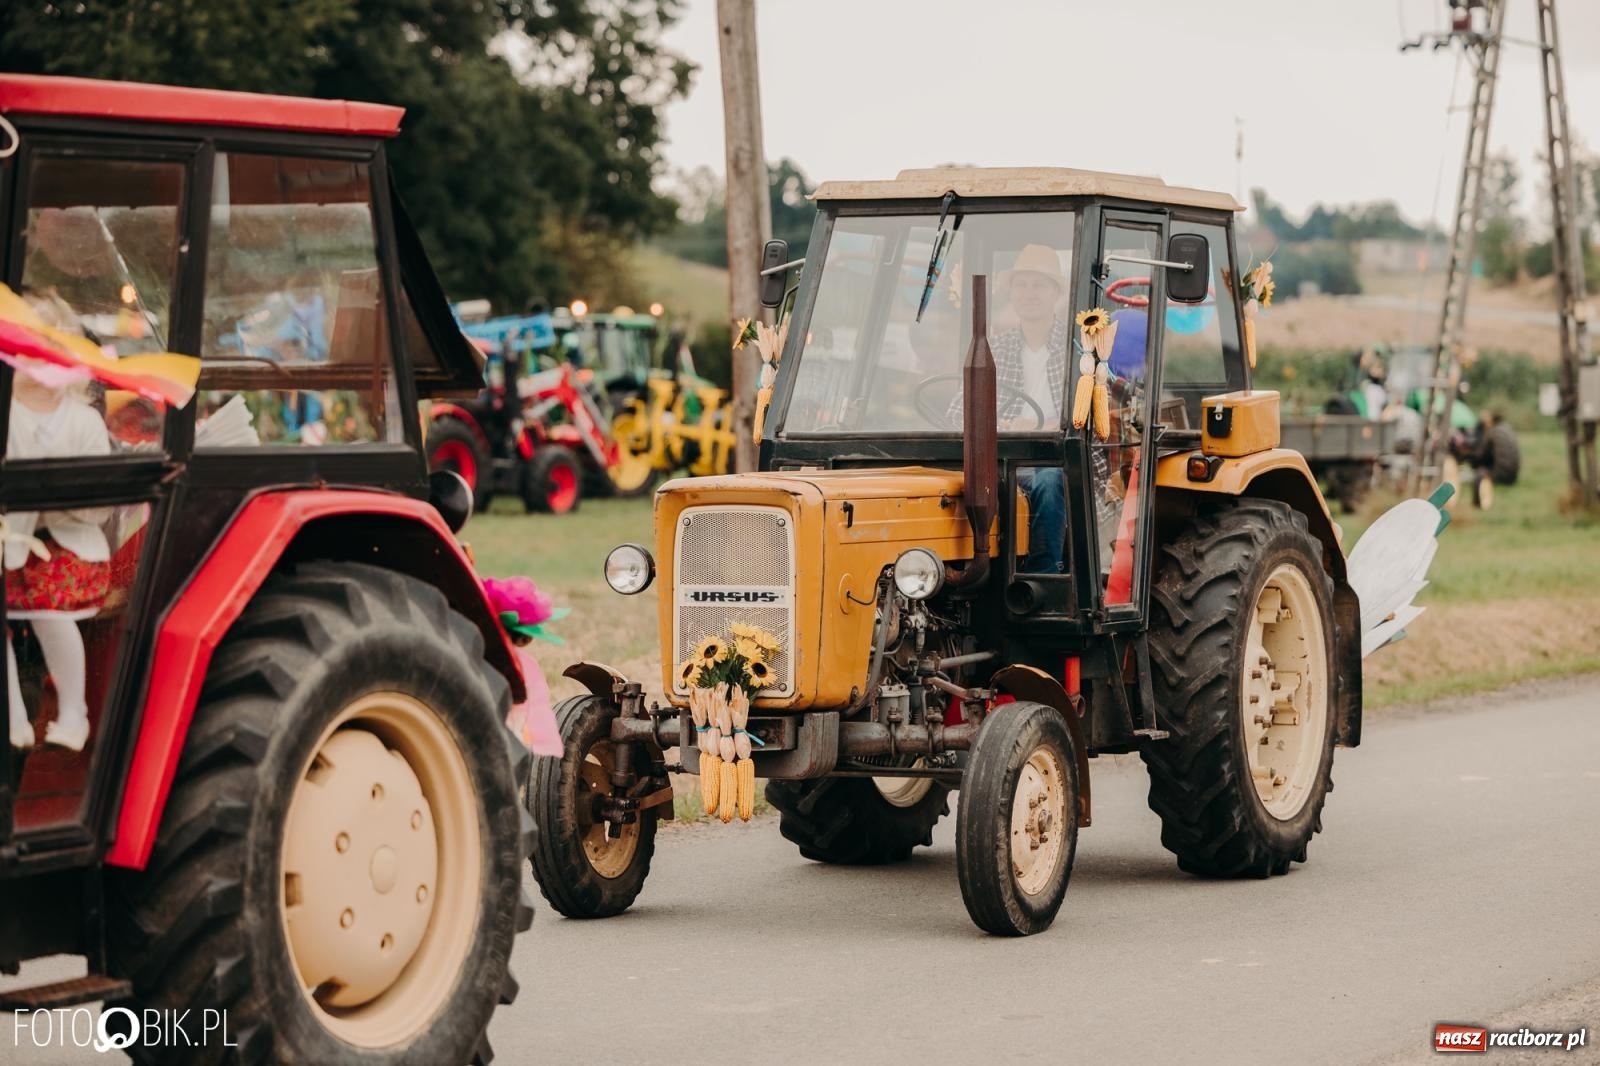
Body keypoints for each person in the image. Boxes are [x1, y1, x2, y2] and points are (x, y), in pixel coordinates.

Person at [5, 290, 113, 751]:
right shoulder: (7, 415)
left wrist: (53, 499)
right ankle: (12, 717)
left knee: (49, 611)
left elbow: (99, 502)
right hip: (12, 545)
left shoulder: (85, 423)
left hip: (66, 547)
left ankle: (74, 712)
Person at [991, 244, 1071, 574]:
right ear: (1011, 291)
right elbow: (959, 411)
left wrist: (1048, 425)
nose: (1029, 293)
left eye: (1038, 285)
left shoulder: (1076, 348)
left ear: (1055, 293)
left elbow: (1094, 415)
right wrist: (1005, 423)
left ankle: (1042, 579)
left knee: (1050, 482)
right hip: (1006, 457)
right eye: (1021, 284)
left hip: (1057, 459)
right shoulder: (997, 346)